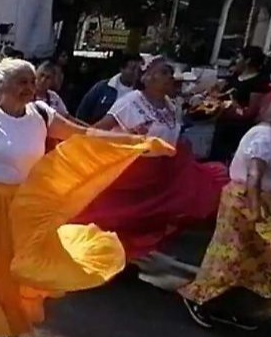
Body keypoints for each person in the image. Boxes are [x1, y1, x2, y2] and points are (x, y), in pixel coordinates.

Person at [0, 58, 169, 337]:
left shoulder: (42, 114)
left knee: (10, 265)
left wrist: (132, 144)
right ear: (1, 86)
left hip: (21, 204)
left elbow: (84, 135)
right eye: (22, 81)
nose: (29, 88)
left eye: (31, 81)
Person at [179, 82, 271, 331]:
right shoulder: (263, 135)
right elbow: (254, 176)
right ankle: (200, 299)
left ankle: (234, 307)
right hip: (246, 203)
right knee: (233, 258)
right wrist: (257, 214)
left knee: (259, 263)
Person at [73, 58, 229, 260]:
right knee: (119, 216)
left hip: (162, 173)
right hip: (132, 173)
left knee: (153, 217)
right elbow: (98, 130)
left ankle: (128, 258)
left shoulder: (171, 106)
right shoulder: (130, 102)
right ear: (146, 77)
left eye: (170, 73)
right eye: (164, 72)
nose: (169, 77)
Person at [209, 46, 271, 161]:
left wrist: (231, 109)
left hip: (239, 129)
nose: (236, 61)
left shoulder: (259, 82)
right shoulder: (235, 77)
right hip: (223, 126)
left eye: (239, 57)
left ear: (247, 60)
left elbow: (251, 112)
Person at [75, 53, 142, 124]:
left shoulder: (141, 92)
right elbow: (84, 109)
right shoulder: (103, 87)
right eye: (133, 69)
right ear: (122, 69)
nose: (136, 73)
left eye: (139, 70)